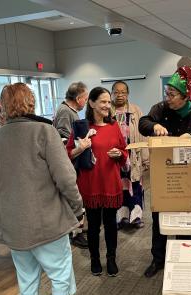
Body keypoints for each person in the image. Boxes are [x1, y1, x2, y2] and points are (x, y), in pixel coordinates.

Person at [0, 83, 83, 295]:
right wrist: (78, 209)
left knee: (26, 273)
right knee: (60, 270)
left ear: (4, 107)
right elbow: (65, 178)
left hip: (13, 224)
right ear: (31, 102)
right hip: (46, 219)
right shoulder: (44, 132)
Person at [139, 71, 191, 278]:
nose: (168, 98)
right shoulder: (161, 109)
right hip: (164, 174)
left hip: (188, 174)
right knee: (159, 217)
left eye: (172, 94)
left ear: (184, 96)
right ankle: (158, 259)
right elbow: (142, 123)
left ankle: (186, 255)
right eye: (167, 93)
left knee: (186, 219)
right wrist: (154, 125)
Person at [66, 87, 127, 277]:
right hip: (91, 184)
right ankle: (94, 259)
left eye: (109, 102)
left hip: (110, 182)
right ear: (91, 103)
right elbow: (67, 154)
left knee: (110, 224)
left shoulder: (114, 126)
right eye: (103, 101)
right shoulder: (81, 127)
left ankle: (111, 259)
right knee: (92, 226)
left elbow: (125, 152)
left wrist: (119, 154)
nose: (107, 105)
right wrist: (80, 147)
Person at [54, 82, 89, 249]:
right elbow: (62, 140)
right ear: (78, 98)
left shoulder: (70, 111)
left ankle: (79, 229)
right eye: (85, 98)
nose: (86, 102)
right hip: (68, 162)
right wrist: (79, 146)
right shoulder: (64, 112)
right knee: (74, 198)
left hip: (74, 160)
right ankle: (76, 233)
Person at [111, 80, 148, 229]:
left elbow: (143, 135)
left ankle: (136, 217)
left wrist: (145, 159)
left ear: (127, 94)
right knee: (119, 187)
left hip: (133, 157)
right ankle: (121, 217)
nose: (120, 95)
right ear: (112, 93)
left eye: (123, 92)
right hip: (115, 158)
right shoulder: (107, 112)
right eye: (116, 92)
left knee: (135, 186)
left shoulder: (135, 110)